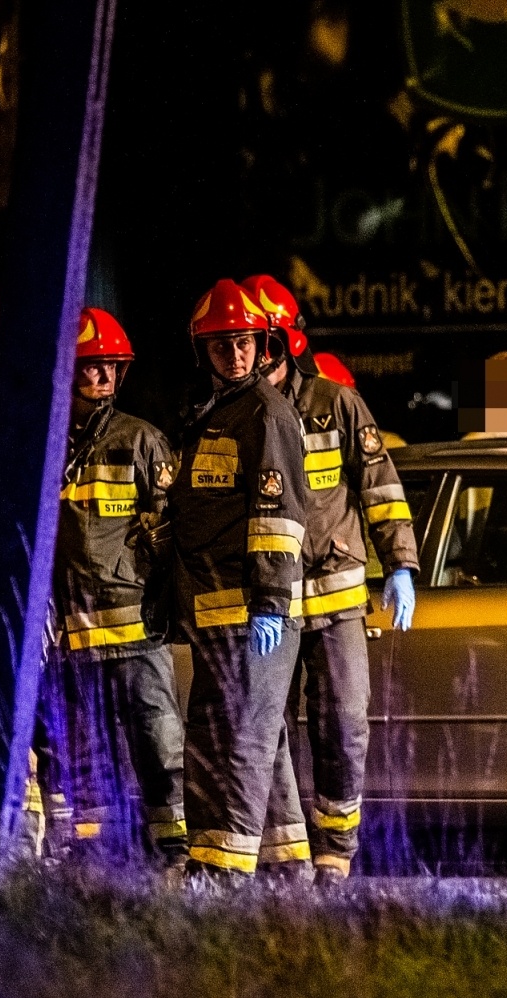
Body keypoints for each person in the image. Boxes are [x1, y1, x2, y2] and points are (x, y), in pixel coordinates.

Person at [243, 274, 419, 883]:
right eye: (248, 342)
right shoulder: (236, 414)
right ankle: (286, 860)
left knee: (344, 724)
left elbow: (380, 486)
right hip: (269, 605)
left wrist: (399, 564)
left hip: (338, 597)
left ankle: (335, 858)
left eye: (266, 342)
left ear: (287, 344)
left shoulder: (336, 404)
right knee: (267, 730)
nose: (257, 355)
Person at [170, 278, 309, 883]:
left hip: (252, 611)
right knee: (233, 735)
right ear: (204, 352)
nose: (236, 354)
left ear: (263, 343)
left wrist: (273, 602)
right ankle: (286, 867)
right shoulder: (212, 414)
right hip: (214, 610)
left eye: (245, 343)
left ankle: (226, 875)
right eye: (222, 345)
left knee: (244, 742)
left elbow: (278, 515)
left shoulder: (265, 413)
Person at [39, 306, 186, 869]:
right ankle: (96, 857)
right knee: (85, 752)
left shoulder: (142, 441)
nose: (98, 378)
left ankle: (171, 853)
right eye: (87, 367)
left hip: (139, 630)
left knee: (159, 745)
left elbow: (171, 529)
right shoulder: (48, 447)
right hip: (74, 635)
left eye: (108, 368)